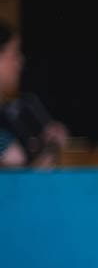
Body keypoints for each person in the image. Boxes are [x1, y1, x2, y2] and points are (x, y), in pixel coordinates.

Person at [0, 22, 68, 167]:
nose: (20, 61)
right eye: (14, 53)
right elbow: (15, 159)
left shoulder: (11, 113)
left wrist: (48, 143)